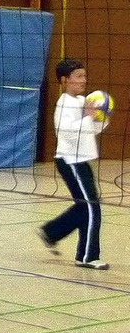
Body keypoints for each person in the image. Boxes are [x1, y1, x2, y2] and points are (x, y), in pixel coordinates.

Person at [37, 58, 109, 270]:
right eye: (78, 77)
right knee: (91, 207)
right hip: (70, 160)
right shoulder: (64, 103)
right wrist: (88, 117)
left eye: (84, 76)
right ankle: (87, 256)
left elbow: (92, 130)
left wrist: (101, 117)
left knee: (85, 206)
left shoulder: (81, 102)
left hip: (82, 160)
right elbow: (67, 134)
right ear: (65, 80)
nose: (83, 80)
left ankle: (51, 232)